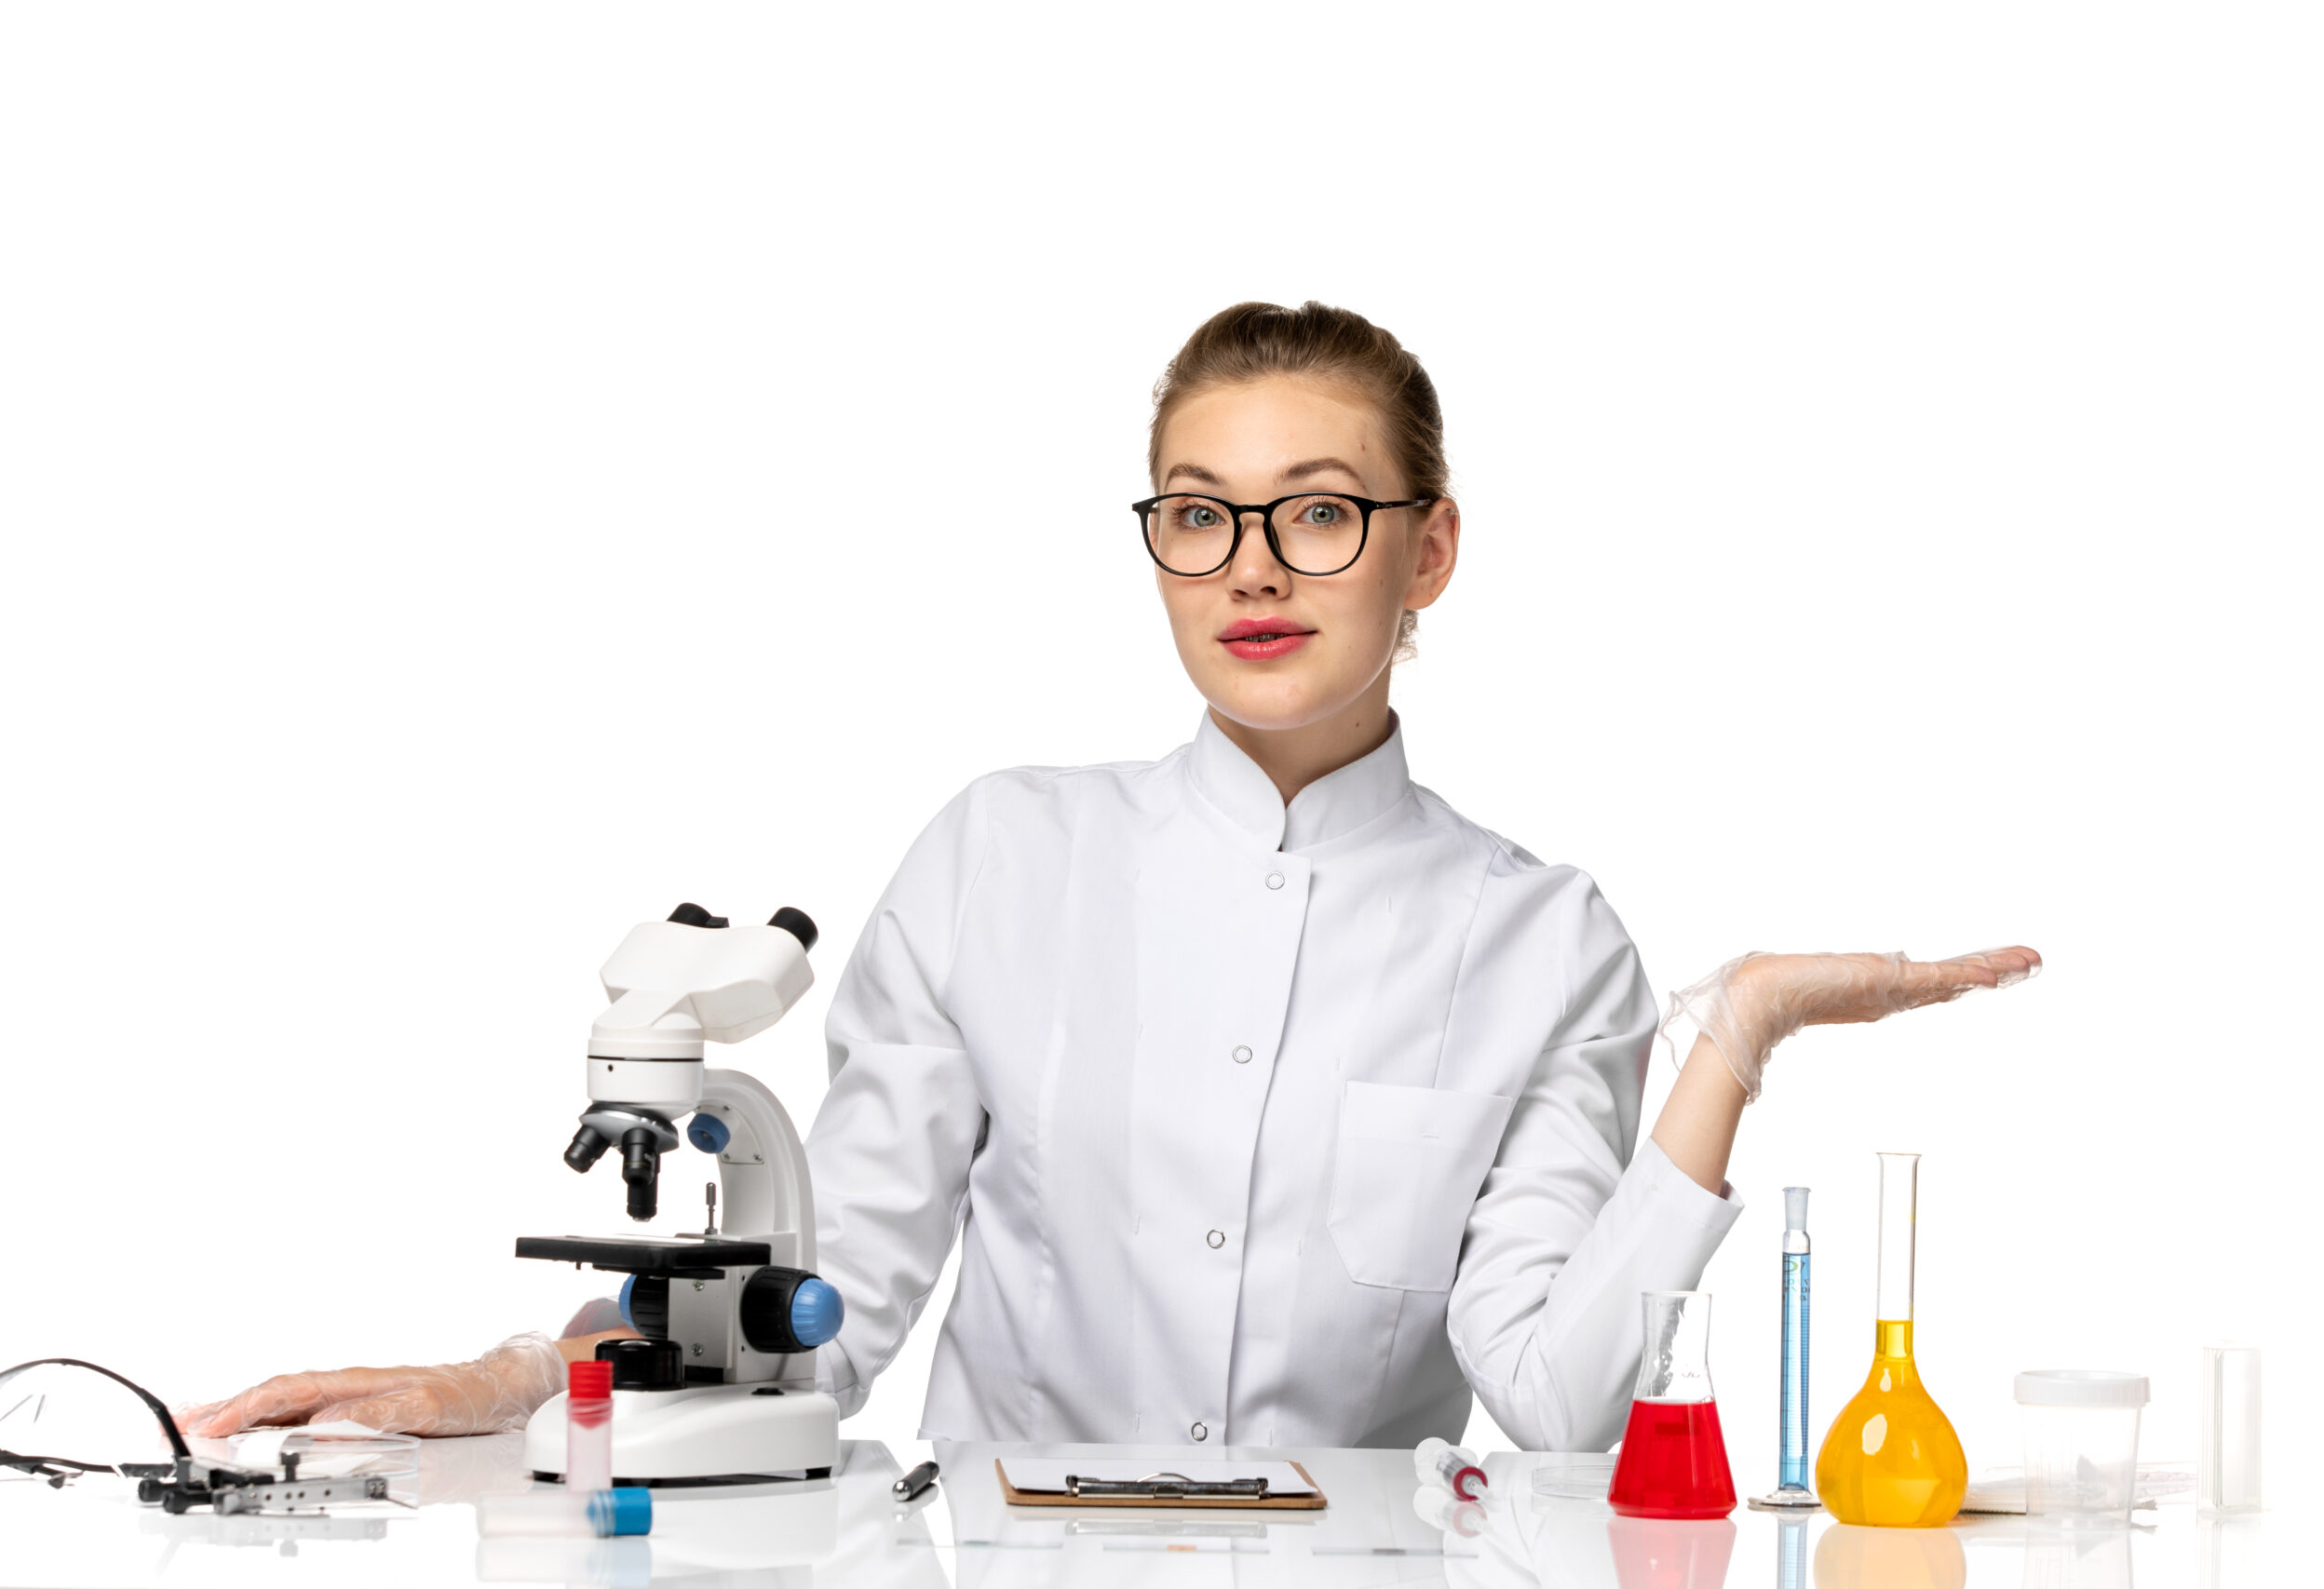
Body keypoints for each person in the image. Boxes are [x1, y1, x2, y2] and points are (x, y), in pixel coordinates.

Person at [181, 302, 2037, 1450]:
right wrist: (525, 1373)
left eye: (1322, 510)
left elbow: (1556, 1402)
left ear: (1430, 551)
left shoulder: (1544, 941)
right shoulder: (1004, 857)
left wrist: (1736, 1038)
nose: (1253, 566)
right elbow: (829, 1306)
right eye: (1197, 513)